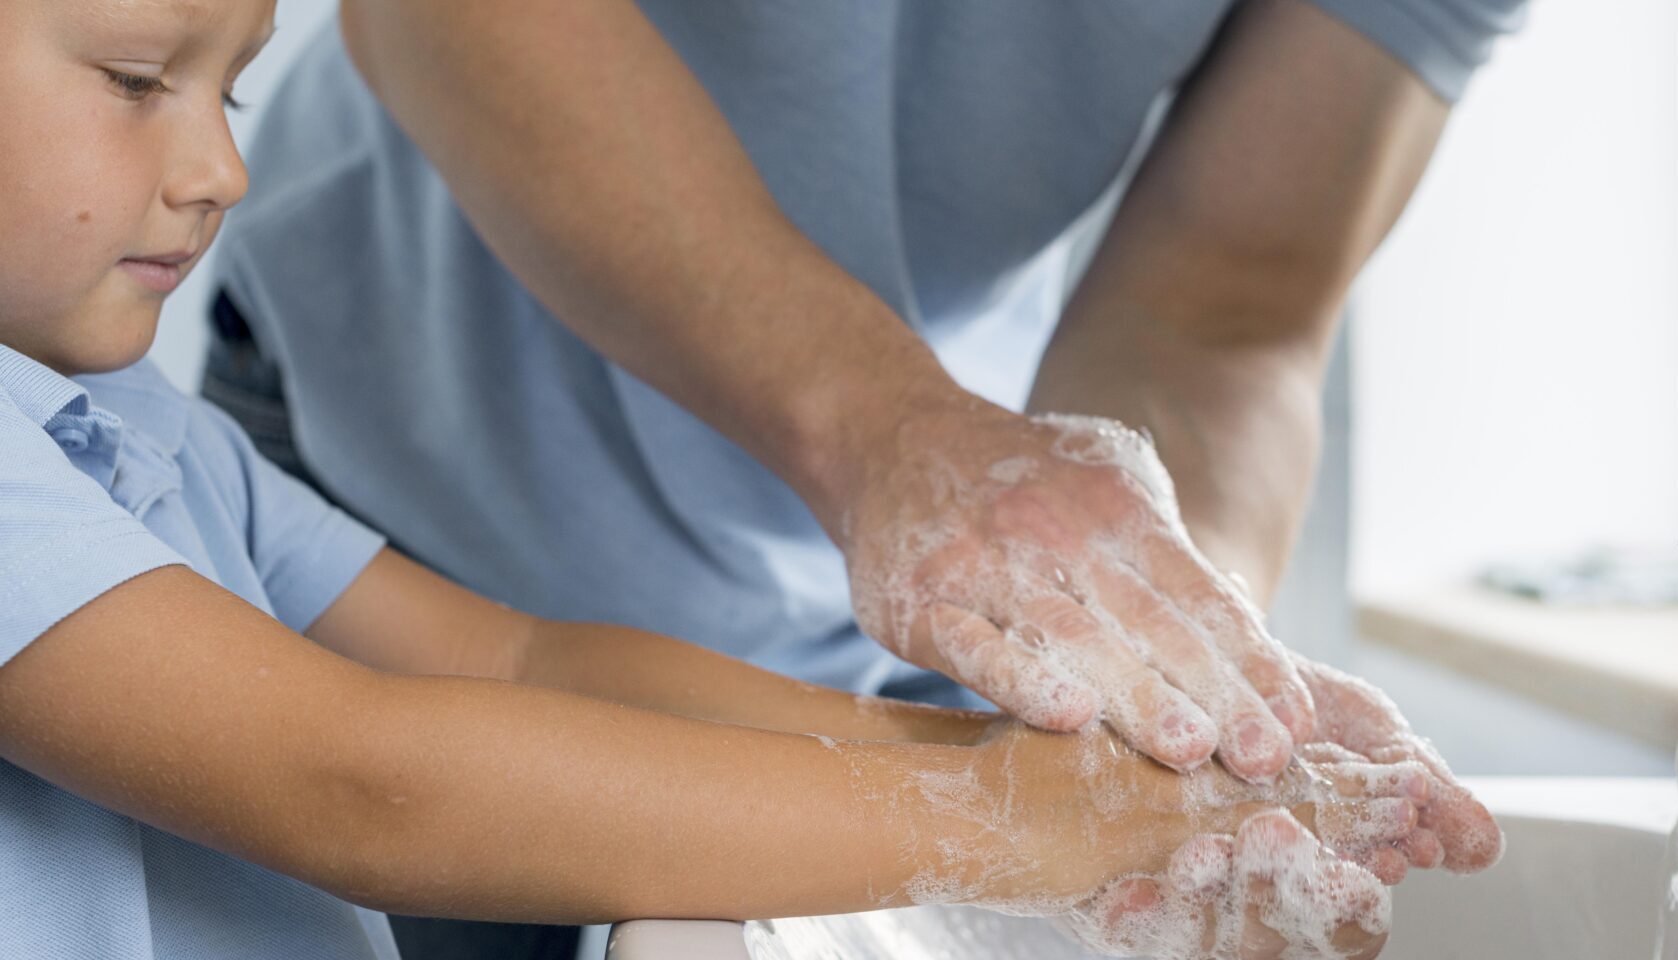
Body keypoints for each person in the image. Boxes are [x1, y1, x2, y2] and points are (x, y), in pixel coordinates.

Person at [0, 2, 1486, 959]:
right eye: (140, 81)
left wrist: (1079, 763)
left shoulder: (149, 433)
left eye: (236, 95)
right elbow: (358, 776)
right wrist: (1051, 826)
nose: (219, 171)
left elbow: (522, 660)